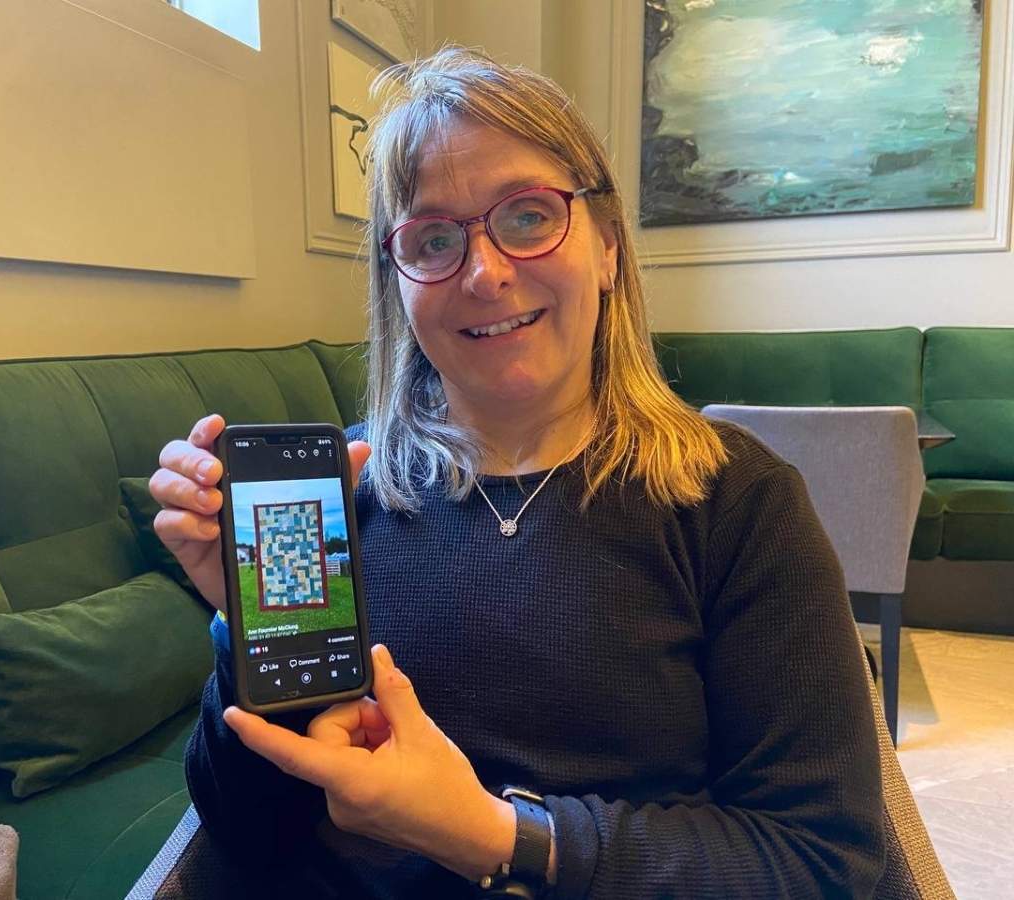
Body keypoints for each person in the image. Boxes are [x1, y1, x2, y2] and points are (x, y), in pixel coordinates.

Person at [149, 47, 884, 898]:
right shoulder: (345, 497)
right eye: (432, 238)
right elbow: (248, 839)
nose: (487, 272)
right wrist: (255, 634)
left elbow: (823, 860)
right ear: (398, 284)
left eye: (529, 216)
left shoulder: (737, 504)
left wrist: (496, 837)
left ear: (607, 248)